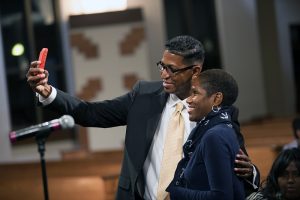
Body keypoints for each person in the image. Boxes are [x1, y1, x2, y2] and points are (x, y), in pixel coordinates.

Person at [26, 35, 258, 199]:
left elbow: (241, 166)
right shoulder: (143, 96)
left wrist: (251, 171)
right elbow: (90, 113)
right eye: (162, 65)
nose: (163, 74)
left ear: (195, 71)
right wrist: (48, 93)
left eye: (172, 69)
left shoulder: (216, 111)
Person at [166, 69, 245, 199]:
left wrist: (175, 193)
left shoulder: (214, 136)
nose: (188, 100)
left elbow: (221, 197)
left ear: (216, 99)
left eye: (195, 93)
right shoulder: (219, 129)